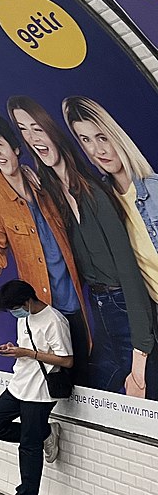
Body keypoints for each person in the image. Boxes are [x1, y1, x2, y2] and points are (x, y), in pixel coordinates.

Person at [0, 105, 86, 380]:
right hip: (40, 297)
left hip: (74, 290)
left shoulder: (41, 176)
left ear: (15, 147)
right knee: (54, 375)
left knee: (83, 361)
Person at [64, 96, 158, 398]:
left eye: (102, 137)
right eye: (86, 140)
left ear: (117, 136)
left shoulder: (154, 191)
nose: (97, 149)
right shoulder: (100, 200)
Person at [0, 280, 72, 495]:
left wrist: (28, 353)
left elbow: (66, 360)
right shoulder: (25, 317)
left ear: (27, 301)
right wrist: (14, 350)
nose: (14, 313)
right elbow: (29, 348)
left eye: (14, 308)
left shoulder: (55, 321)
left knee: (29, 446)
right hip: (18, 384)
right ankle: (45, 432)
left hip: (40, 391)